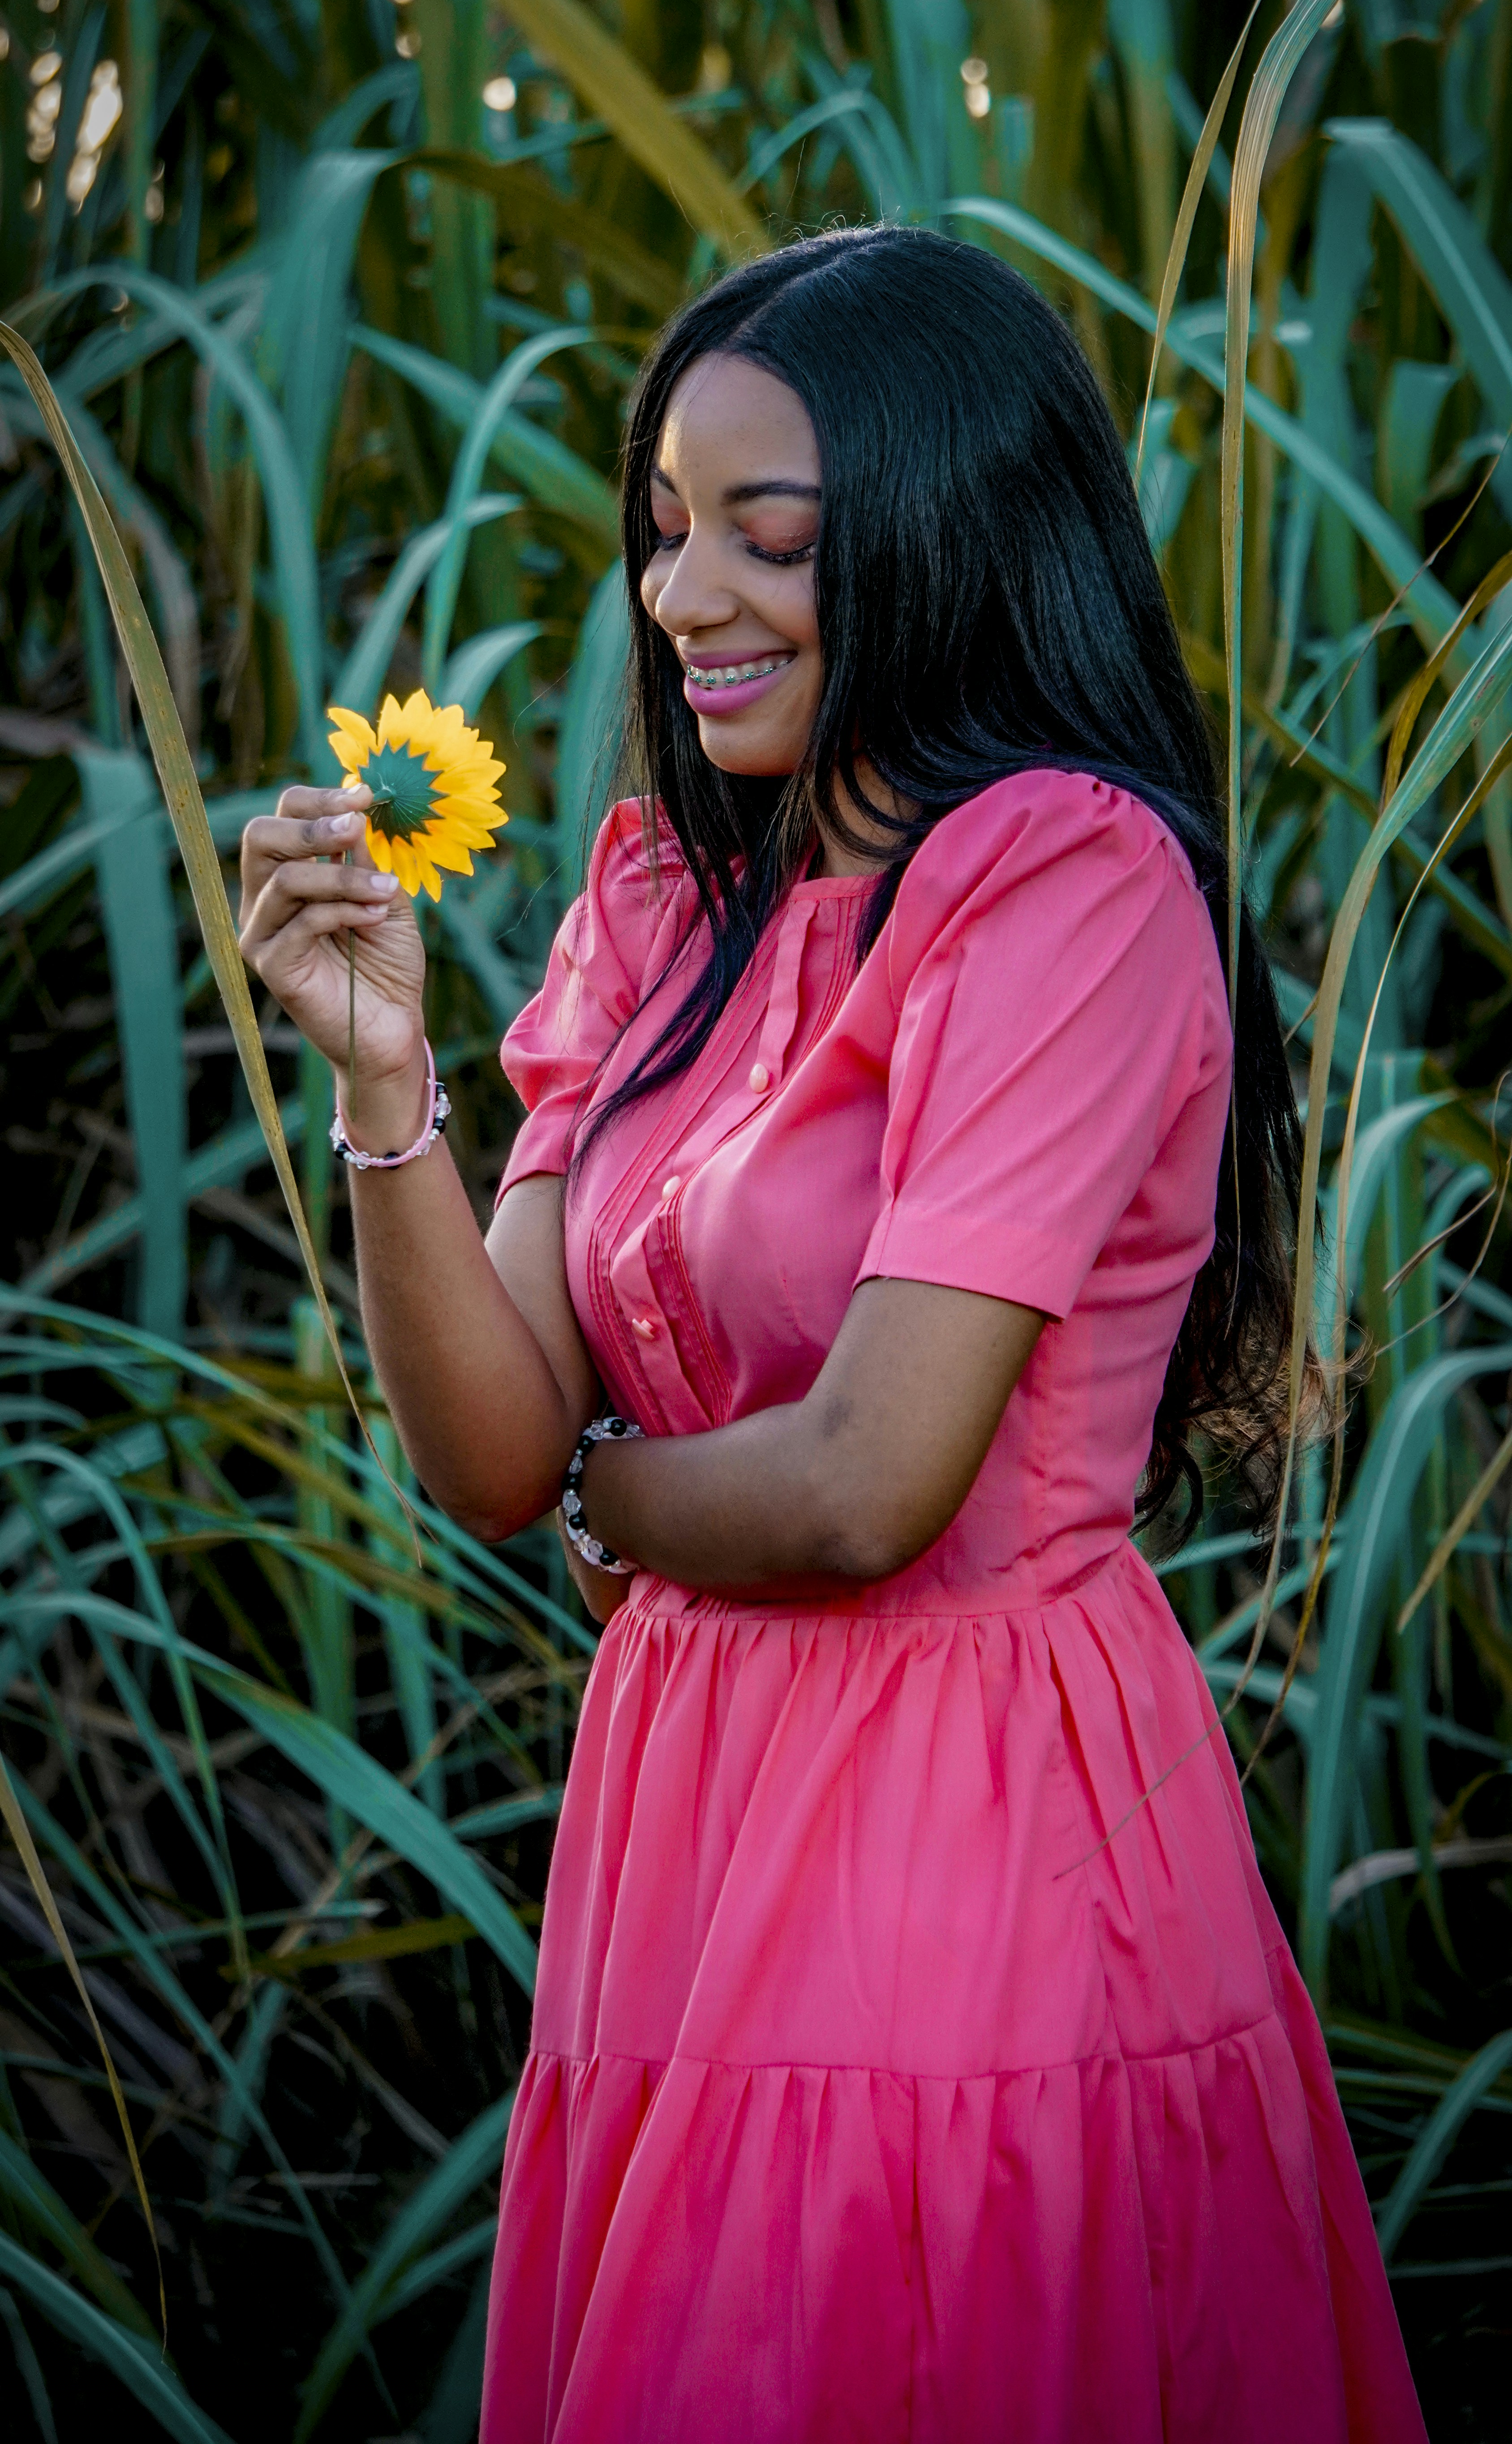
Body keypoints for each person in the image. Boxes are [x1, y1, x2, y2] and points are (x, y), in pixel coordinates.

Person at [239, 227, 1425, 2443]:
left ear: (953, 537)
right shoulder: (667, 900)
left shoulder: (1062, 883)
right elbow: (493, 1450)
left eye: (768, 543)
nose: (684, 598)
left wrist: (614, 1496)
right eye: (667, 531)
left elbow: (870, 1483)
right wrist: (385, 1102)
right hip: (683, 1805)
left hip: (969, 1806)